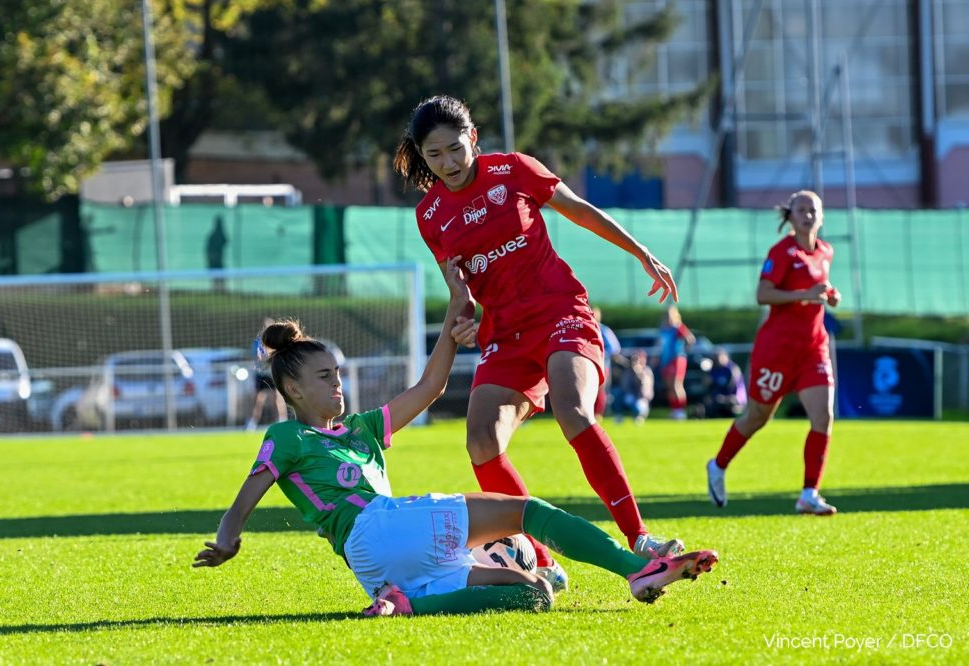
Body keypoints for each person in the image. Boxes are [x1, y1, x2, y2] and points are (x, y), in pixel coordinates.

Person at [193, 259, 719, 617]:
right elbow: (248, 492)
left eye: (338, 374)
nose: (338, 385)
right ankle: (636, 568)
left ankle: (404, 605)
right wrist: (226, 537)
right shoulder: (287, 435)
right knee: (527, 512)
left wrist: (455, 307)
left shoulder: (360, 428)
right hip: (374, 528)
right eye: (325, 377)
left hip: (378, 566)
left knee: (535, 594)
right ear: (291, 389)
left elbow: (429, 387)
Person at [392, 95, 686, 591]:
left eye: (455, 148)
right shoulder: (430, 215)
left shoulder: (514, 170)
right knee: (481, 442)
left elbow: (579, 211)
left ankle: (640, 539)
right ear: (422, 156)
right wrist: (463, 320)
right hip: (505, 335)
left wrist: (641, 253)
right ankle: (542, 561)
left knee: (574, 411)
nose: (448, 162)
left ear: (473, 138)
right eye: (434, 154)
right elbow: (460, 289)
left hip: (559, 312)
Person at [706, 190, 841, 515]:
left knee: (823, 417)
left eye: (813, 210)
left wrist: (830, 295)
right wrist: (804, 294)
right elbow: (763, 294)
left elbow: (819, 288)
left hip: (813, 348)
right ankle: (718, 465)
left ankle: (809, 493)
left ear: (821, 216)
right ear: (790, 216)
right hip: (777, 350)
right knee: (757, 416)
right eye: (801, 210)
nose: (808, 215)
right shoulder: (782, 252)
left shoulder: (825, 251)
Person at [246, 318, 288, 430]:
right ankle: (252, 423)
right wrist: (262, 359)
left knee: (276, 399)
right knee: (257, 400)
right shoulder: (257, 342)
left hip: (271, 374)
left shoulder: (275, 342)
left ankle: (281, 420)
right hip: (260, 374)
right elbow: (256, 357)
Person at [655, 305, 695, 420]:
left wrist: (683, 351)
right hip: (666, 361)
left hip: (676, 360)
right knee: (669, 387)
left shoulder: (678, 327)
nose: (668, 317)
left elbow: (690, 339)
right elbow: (659, 344)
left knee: (676, 385)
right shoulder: (663, 329)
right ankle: (674, 409)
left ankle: (681, 410)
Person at [592, 307, 621, 420]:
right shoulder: (584, 328)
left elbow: (614, 348)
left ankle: (598, 413)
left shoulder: (603, 330)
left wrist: (599, 351)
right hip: (588, 365)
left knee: (600, 389)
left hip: (602, 365)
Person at [613, 349, 655, 425]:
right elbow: (624, 385)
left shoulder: (647, 371)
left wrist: (637, 371)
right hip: (630, 396)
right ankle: (618, 416)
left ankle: (639, 417)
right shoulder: (629, 370)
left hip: (642, 399)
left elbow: (643, 386)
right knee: (617, 393)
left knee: (639, 408)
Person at [705, 347, 746, 419]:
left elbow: (733, 386)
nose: (717, 360)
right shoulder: (714, 369)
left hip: (734, 398)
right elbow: (709, 385)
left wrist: (725, 397)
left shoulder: (732, 368)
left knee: (730, 402)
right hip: (719, 398)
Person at [205, 216, 229, 293]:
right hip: (215, 259)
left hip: (216, 258)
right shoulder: (214, 235)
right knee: (217, 275)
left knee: (219, 275)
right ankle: (217, 289)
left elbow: (225, 241)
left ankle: (219, 289)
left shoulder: (215, 234)